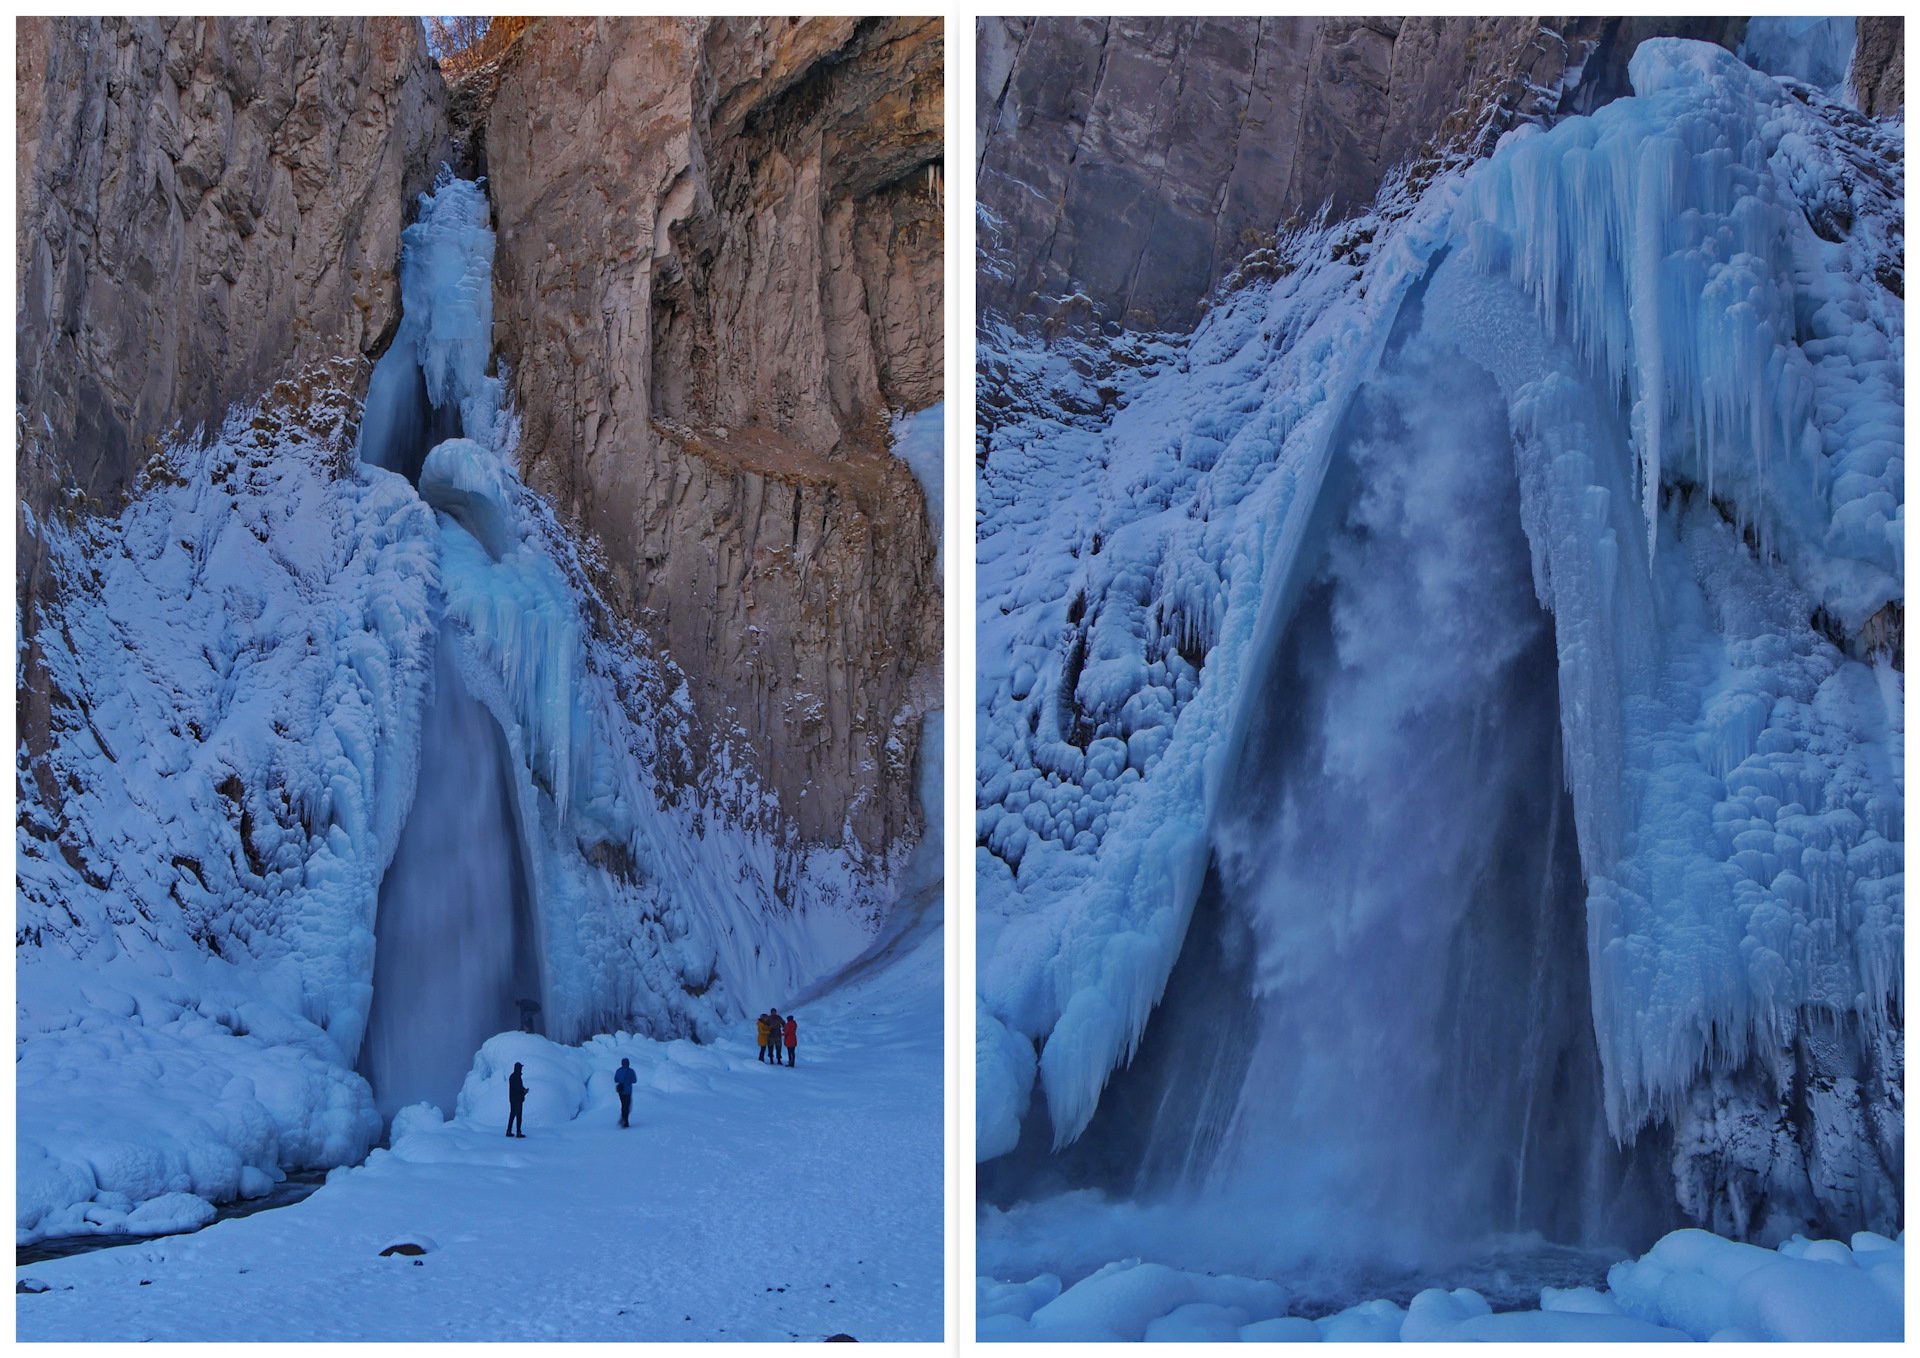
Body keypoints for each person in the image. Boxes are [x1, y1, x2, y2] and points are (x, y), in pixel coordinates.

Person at [613, 1057, 637, 1127]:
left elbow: (616, 1080)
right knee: (627, 1105)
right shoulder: (631, 1071)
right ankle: (625, 1120)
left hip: (621, 1091)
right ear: (628, 1063)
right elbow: (634, 1080)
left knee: (623, 1105)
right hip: (628, 1091)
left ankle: (624, 1119)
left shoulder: (618, 1070)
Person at [506, 1061, 528, 1137]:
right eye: (521, 1068)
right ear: (518, 1069)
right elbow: (517, 1088)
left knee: (512, 1114)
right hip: (517, 1100)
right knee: (518, 1116)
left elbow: (517, 1087)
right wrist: (523, 1091)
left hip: (513, 1099)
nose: (522, 1069)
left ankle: (509, 1131)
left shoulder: (512, 1076)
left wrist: (523, 1089)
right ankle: (518, 1132)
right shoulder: (516, 1077)